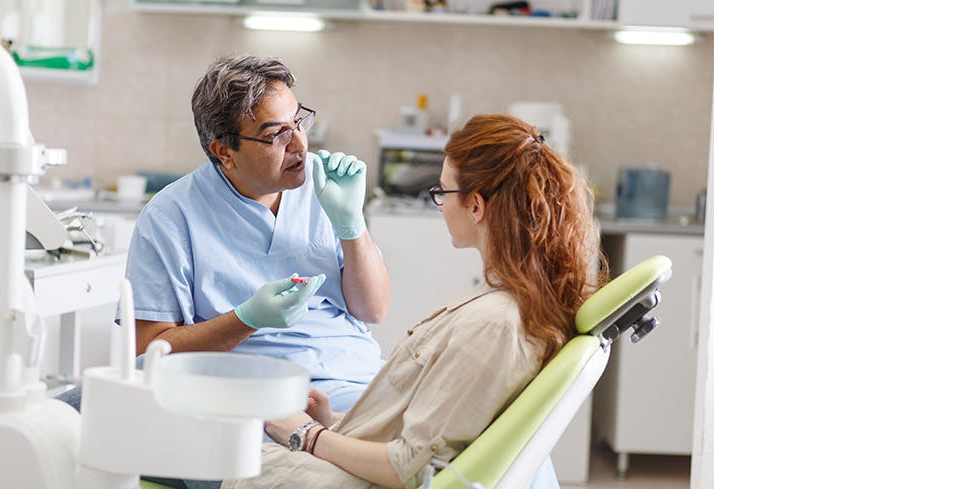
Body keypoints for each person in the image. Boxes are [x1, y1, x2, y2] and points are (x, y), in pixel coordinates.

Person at [220, 113, 606, 489]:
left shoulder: (494, 324)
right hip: (363, 445)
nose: (439, 204)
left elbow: (409, 466)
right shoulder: (509, 304)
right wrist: (334, 422)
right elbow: (435, 425)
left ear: (476, 206)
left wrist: (308, 435)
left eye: (442, 192)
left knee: (249, 464)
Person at [58, 54, 389, 416]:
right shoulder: (172, 215)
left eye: (299, 122)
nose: (299, 144)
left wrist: (351, 226)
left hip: (350, 380)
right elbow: (149, 352)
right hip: (245, 392)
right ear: (224, 151)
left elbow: (373, 309)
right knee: (79, 408)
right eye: (276, 134)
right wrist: (247, 319)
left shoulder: (325, 186)